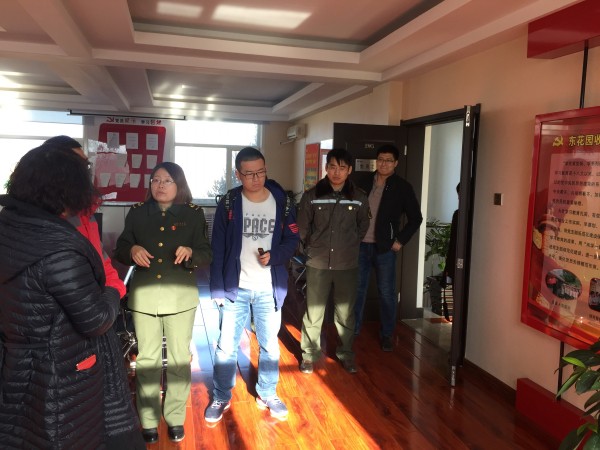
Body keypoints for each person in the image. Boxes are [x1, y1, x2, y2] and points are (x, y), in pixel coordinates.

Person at [0, 144, 123, 448]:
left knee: (25, 433)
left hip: (17, 361)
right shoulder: (60, 248)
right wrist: (112, 290)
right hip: (61, 372)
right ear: (66, 188)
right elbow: (96, 320)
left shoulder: (10, 224)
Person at [43, 135, 146, 448]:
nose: (86, 173)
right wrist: (110, 295)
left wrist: (113, 290)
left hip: (98, 325)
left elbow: (105, 266)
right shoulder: (43, 224)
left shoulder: (84, 214)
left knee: (104, 413)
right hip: (61, 343)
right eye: (78, 165)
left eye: (86, 166)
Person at [114, 162, 212, 444]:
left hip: (180, 297)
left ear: (179, 184)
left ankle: (175, 417)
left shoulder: (193, 214)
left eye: (167, 180)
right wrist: (132, 249)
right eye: (155, 180)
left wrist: (191, 251)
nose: (160, 185)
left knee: (179, 359)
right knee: (148, 360)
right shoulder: (137, 213)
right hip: (145, 297)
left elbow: (206, 253)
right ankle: (148, 419)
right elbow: (121, 248)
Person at [205, 147, 299, 424]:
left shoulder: (282, 202)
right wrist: (217, 288)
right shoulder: (229, 203)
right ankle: (221, 395)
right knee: (226, 346)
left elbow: (292, 241)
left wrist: (275, 256)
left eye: (261, 172)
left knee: (269, 345)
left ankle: (267, 393)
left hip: (269, 287)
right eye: (249, 174)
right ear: (238, 174)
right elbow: (217, 248)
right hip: (235, 288)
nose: (256, 179)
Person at [297, 148, 370, 374]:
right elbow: (302, 228)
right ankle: (309, 355)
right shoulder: (312, 195)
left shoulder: (359, 197)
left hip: (346, 263)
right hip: (318, 262)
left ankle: (346, 354)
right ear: (326, 168)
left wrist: (348, 245)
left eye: (342, 168)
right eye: (332, 167)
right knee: (314, 311)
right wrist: (311, 248)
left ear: (349, 170)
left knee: (345, 313)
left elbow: (362, 227)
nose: (336, 172)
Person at [354, 144, 422, 352]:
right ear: (376, 161)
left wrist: (399, 240)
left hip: (384, 248)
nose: (384, 164)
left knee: (386, 293)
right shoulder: (363, 182)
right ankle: (352, 331)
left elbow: (416, 218)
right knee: (357, 291)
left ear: (396, 163)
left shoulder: (402, 187)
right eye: (381, 160)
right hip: (360, 246)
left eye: (389, 160)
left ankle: (387, 334)